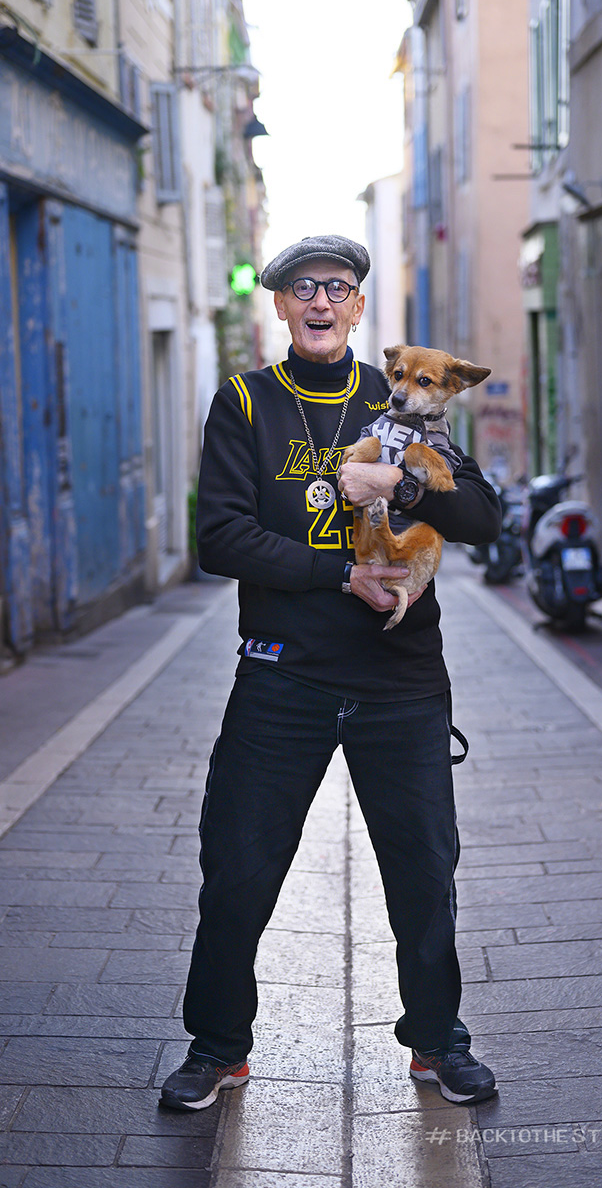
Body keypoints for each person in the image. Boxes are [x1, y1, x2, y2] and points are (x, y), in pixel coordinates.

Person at [160, 235, 502, 1112]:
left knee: (423, 873)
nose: (320, 300)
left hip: (401, 680)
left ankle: (437, 1040)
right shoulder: (245, 401)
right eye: (302, 287)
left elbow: (482, 516)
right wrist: (338, 574)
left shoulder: (404, 397)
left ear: (357, 306)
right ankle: (217, 1046)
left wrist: (400, 487)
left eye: (338, 287)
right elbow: (220, 538)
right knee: (237, 868)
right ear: (280, 305)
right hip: (283, 675)